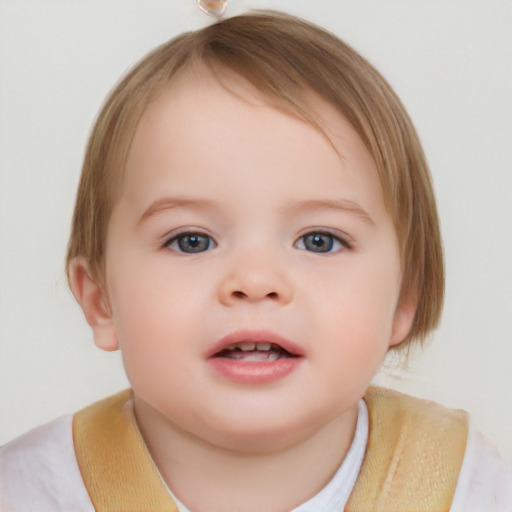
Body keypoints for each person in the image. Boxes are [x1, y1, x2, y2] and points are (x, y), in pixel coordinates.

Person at [1, 10, 510, 512]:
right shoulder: (28, 492)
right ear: (100, 300)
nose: (255, 281)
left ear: (405, 297)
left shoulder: (468, 488)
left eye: (319, 241)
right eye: (191, 241)